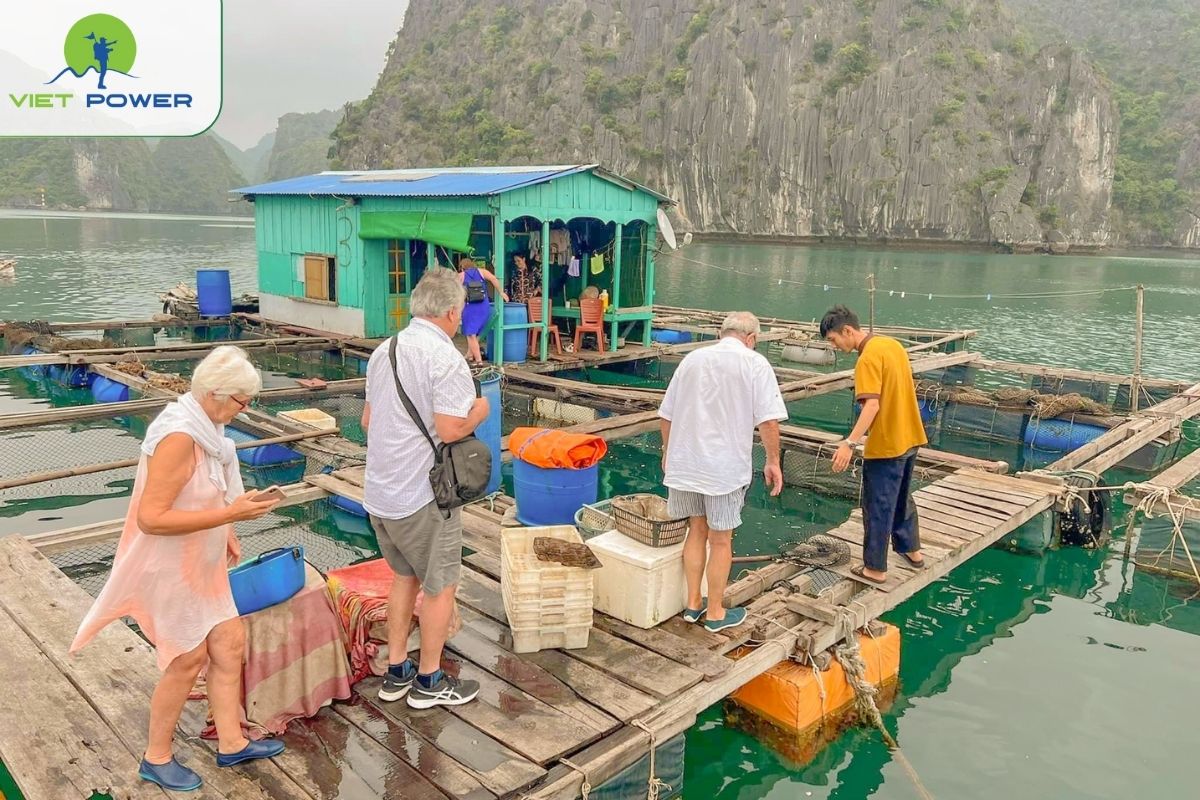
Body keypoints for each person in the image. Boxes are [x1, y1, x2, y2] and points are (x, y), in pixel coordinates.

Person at [71, 346, 285, 792]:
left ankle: (231, 741)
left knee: (229, 642)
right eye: (242, 402)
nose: (243, 411)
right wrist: (231, 516)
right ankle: (156, 756)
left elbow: (205, 489)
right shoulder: (179, 436)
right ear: (214, 394)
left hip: (199, 561)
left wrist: (227, 524)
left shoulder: (208, 430)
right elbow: (152, 517)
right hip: (170, 566)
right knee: (187, 660)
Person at [361, 267, 489, 708]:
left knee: (403, 578)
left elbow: (367, 421)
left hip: (380, 493)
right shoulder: (446, 358)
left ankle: (397, 670)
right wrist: (481, 411)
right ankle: (430, 681)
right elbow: (451, 429)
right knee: (440, 586)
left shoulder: (384, 351)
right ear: (453, 312)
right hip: (423, 496)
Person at [659, 312, 788, 632]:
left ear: (722, 333)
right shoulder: (755, 363)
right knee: (720, 540)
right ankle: (715, 613)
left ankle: (692, 604)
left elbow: (666, 414)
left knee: (695, 530)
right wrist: (773, 461)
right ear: (752, 338)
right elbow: (769, 421)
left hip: (686, 463)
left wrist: (667, 453)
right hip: (723, 469)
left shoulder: (691, 359)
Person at [820, 305, 927, 585]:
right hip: (911, 436)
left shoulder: (866, 359)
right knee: (902, 496)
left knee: (878, 504)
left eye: (833, 339)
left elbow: (872, 406)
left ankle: (875, 568)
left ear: (848, 330)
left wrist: (850, 443)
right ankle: (912, 551)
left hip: (887, 443)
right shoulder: (892, 345)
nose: (835, 346)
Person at [458, 257, 507, 366]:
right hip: (483, 305)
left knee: (471, 334)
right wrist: (501, 292)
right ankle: (469, 355)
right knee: (475, 334)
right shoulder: (481, 271)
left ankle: (479, 360)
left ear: (462, 267)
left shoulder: (461, 276)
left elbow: (456, 292)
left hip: (470, 306)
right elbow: (494, 279)